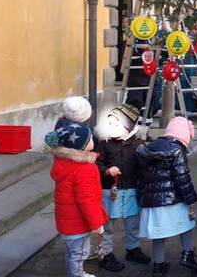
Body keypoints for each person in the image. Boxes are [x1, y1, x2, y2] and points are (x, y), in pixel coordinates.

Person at [136, 117, 197, 277]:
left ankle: (158, 264)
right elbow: (182, 178)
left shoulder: (150, 147)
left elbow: (141, 175)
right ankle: (188, 255)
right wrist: (191, 199)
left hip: (151, 201)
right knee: (187, 225)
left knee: (158, 234)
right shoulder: (177, 151)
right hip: (174, 199)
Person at [45, 117, 108, 277]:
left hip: (68, 220)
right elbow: (86, 199)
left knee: (73, 252)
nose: (93, 140)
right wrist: (96, 223)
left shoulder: (64, 163)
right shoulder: (83, 169)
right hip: (78, 223)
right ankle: (77, 275)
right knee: (79, 254)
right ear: (81, 146)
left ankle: (76, 273)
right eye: (90, 139)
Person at [94, 104, 151, 272]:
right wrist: (106, 171)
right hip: (109, 191)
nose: (109, 128)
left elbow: (144, 164)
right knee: (107, 225)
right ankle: (106, 254)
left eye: (114, 124)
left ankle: (133, 249)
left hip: (132, 190)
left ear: (128, 127)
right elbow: (96, 163)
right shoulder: (104, 143)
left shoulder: (138, 144)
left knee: (133, 223)